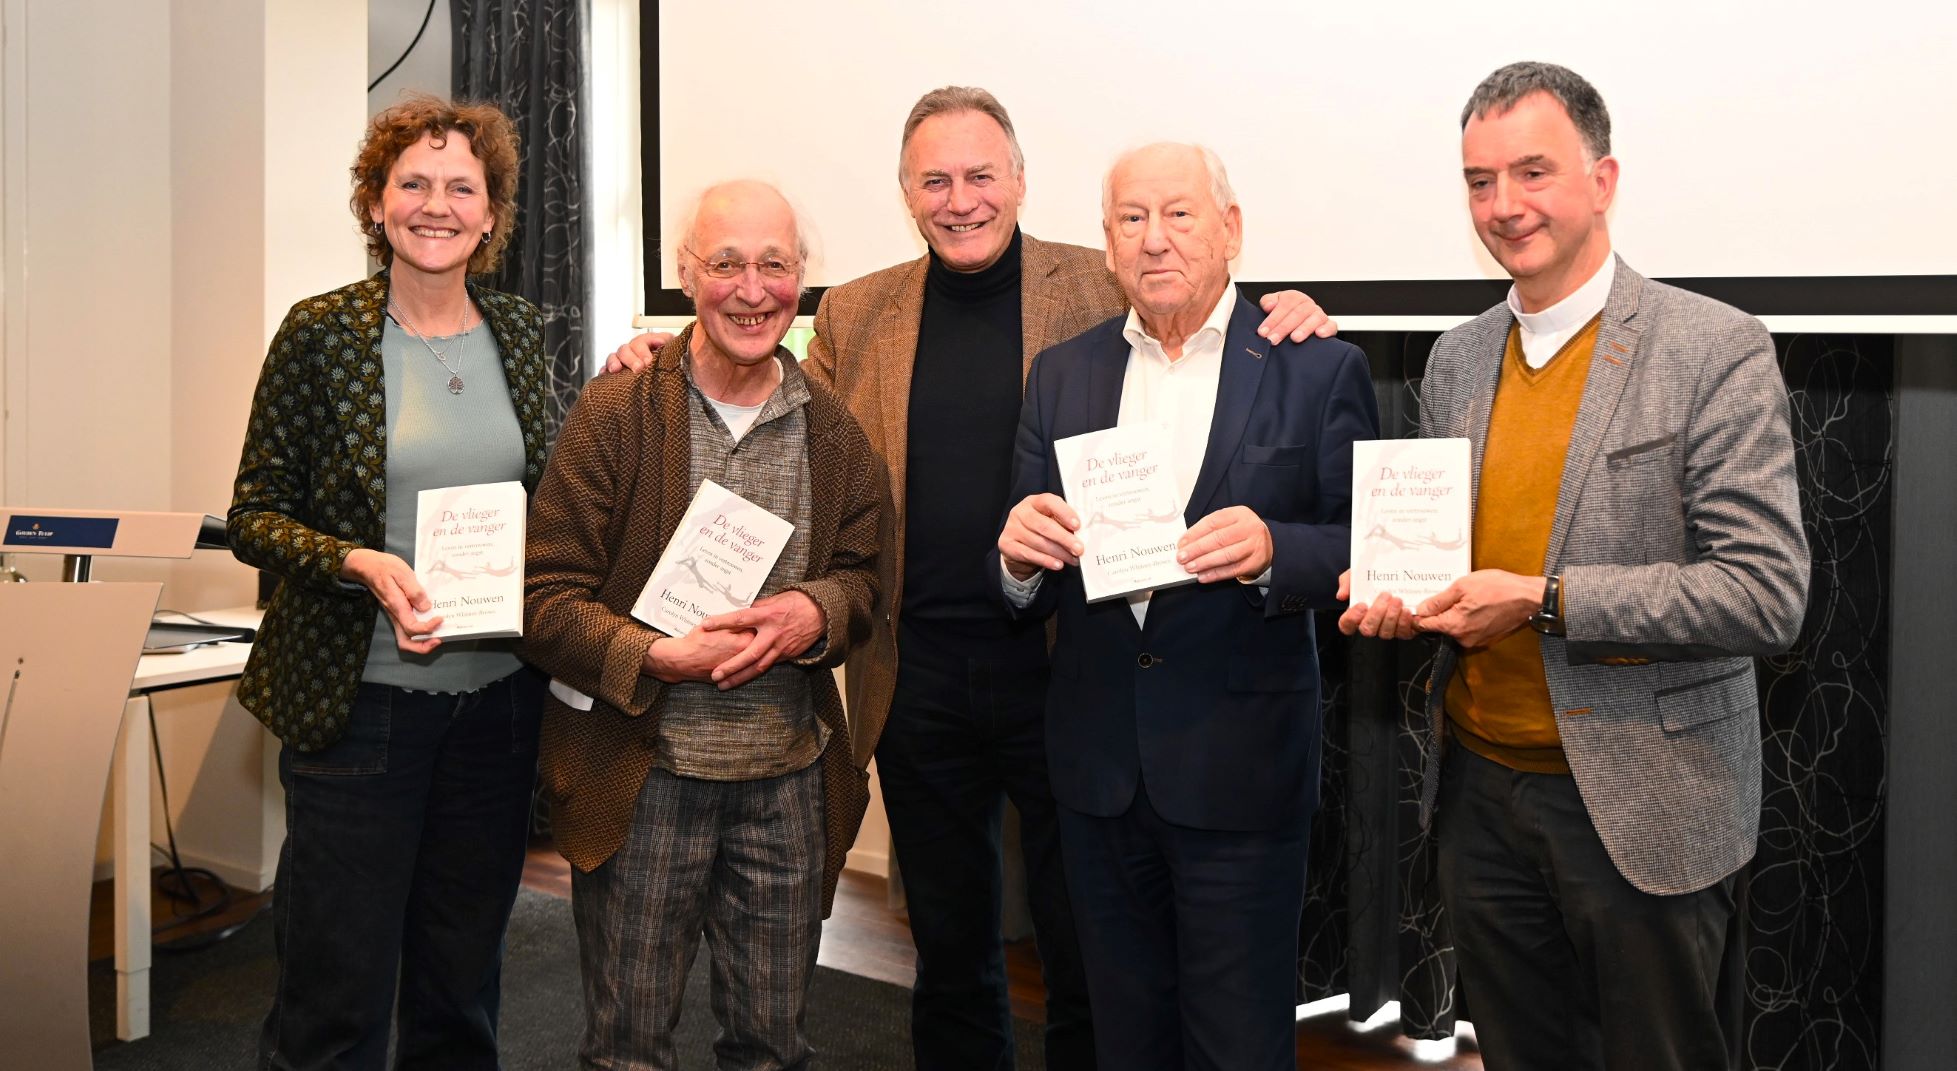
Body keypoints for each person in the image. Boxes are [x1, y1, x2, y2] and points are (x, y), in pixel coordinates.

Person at [608, 87, 1335, 1070]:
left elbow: (1199, 318)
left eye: (981, 176)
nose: (961, 200)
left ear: (1021, 182)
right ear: (907, 194)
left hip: (1067, 672)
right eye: (935, 181)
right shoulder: (859, 312)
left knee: (1088, 951)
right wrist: (673, 354)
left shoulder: (1099, 279)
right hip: (917, 675)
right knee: (950, 948)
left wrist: (1286, 308)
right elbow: (783, 407)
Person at [1338, 61, 1809, 1070]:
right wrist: (1400, 599)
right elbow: (1454, 568)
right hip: (1480, 795)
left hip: (1646, 802)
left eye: (1531, 172)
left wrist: (1543, 602)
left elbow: (1764, 592)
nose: (1502, 206)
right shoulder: (1456, 357)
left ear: (1602, 180)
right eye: (1477, 180)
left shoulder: (1711, 347)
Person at [993, 142, 1379, 1071]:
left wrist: (1277, 549)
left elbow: (1367, 545)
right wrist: (1015, 558)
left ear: (1230, 230)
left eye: (1178, 214)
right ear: (1107, 241)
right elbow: (1022, 570)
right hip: (1096, 774)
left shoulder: (1314, 368)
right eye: (1131, 218)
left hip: (1237, 769)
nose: (1154, 238)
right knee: (1125, 1040)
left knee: (1236, 1043)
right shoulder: (1061, 372)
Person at [522, 179, 881, 1071]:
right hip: (644, 780)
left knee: (772, 1045)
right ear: (687, 273)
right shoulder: (618, 413)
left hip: (788, 786)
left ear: (804, 279)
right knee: (628, 1046)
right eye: (725, 263)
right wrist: (653, 654)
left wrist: (815, 609)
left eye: (774, 264)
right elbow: (542, 595)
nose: (750, 289)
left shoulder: (833, 434)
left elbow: (866, 578)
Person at [228, 95, 549, 1070]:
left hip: (495, 713)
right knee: (336, 993)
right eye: (413, 183)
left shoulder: (522, 331)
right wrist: (355, 563)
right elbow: (253, 512)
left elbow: (549, 491)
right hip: (360, 714)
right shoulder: (321, 334)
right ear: (375, 204)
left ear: (492, 214)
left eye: (463, 186)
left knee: (461, 992)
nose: (437, 204)